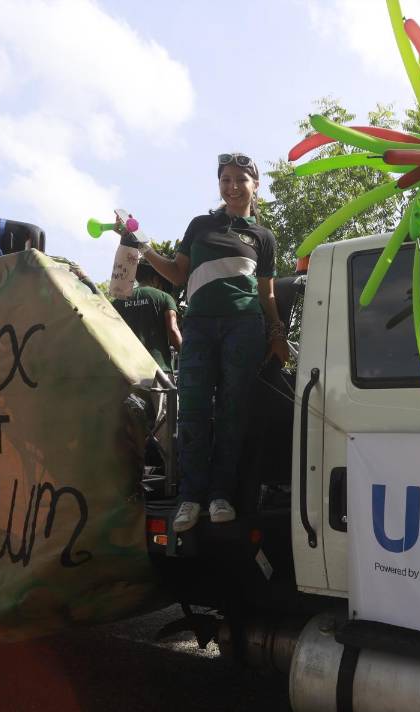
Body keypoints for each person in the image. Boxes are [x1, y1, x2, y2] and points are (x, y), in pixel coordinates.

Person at [139, 152, 289, 532]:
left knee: (232, 411)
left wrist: (277, 336)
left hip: (244, 327)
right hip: (201, 326)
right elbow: (176, 275)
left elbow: (267, 294)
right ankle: (191, 496)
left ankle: (220, 494)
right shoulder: (201, 225)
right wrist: (142, 247)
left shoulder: (264, 237)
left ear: (256, 185)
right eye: (226, 179)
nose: (233, 186)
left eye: (241, 179)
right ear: (219, 185)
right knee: (191, 409)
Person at [110, 260, 181, 376]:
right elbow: (173, 330)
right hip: (159, 369)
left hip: (127, 371)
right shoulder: (165, 298)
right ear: (156, 279)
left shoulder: (118, 302)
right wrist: (186, 356)